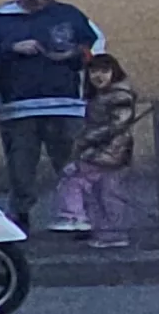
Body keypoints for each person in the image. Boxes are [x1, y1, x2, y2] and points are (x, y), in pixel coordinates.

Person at [0, 0, 102, 226]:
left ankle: (78, 214)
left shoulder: (69, 15)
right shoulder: (1, 19)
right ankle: (21, 216)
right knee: (20, 169)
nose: (39, 1)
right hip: (18, 107)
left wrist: (74, 55)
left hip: (65, 104)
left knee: (71, 166)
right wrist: (11, 48)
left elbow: (95, 48)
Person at [50, 53, 142, 248]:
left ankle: (74, 216)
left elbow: (118, 124)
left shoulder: (119, 96)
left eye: (104, 71)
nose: (98, 76)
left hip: (109, 150)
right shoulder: (102, 96)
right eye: (93, 71)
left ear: (114, 72)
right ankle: (110, 234)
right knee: (105, 192)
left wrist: (86, 139)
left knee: (74, 177)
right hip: (109, 150)